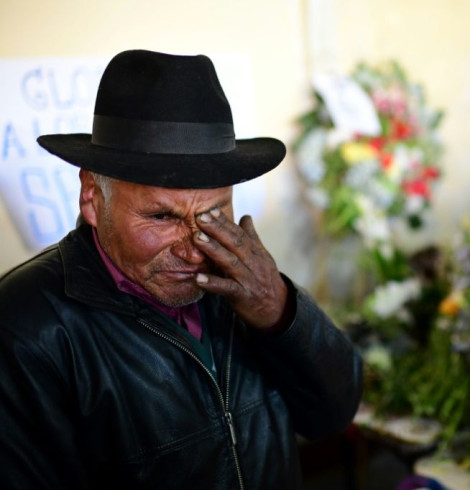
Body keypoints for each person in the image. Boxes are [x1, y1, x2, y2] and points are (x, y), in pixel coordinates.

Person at [0, 49, 363, 489]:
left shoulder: (244, 281)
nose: (194, 253)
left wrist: (279, 309)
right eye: (162, 217)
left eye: (213, 213)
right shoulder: (25, 327)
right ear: (93, 197)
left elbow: (333, 414)